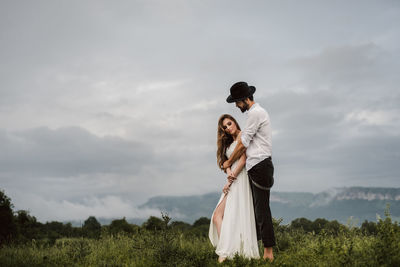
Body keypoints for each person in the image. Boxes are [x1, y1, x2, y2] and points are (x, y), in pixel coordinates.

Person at [223, 81, 276, 262]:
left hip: (260, 165)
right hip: (257, 166)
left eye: (237, 102)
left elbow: (243, 143)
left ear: (245, 99)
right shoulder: (254, 114)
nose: (237, 106)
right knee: (256, 211)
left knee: (261, 211)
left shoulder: (255, 113)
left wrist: (229, 161)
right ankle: (252, 249)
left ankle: (268, 253)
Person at [209, 114, 260, 263]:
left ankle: (225, 253)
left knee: (230, 215)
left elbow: (244, 159)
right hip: (233, 178)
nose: (228, 128)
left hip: (241, 178)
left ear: (235, 122)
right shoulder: (228, 142)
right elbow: (226, 163)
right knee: (218, 215)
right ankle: (228, 249)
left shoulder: (243, 136)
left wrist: (231, 179)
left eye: (229, 124)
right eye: (225, 127)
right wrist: (229, 172)